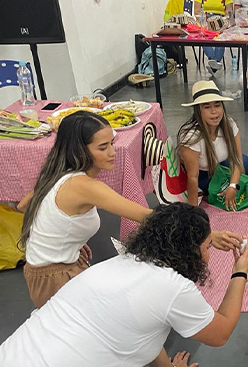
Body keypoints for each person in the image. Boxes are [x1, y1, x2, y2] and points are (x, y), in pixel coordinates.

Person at [0, 203, 248, 367]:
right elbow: (221, 333)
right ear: (190, 251)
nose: (209, 254)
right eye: (207, 247)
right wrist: (240, 270)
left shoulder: (120, 263)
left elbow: (142, 332)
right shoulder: (172, 287)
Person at [15, 112, 152, 308]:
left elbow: (23, 205)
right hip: (54, 277)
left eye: (112, 143)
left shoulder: (57, 173)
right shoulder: (85, 186)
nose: (113, 152)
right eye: (103, 147)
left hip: (45, 269)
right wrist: (204, 232)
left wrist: (68, 239)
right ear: (79, 151)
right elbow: (145, 216)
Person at [178, 81, 248, 210]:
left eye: (217, 105)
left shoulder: (229, 124)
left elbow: (236, 159)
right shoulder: (191, 135)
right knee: (214, 188)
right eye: (207, 107)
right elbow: (192, 177)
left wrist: (233, 186)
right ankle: (204, 193)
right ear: (198, 110)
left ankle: (221, 185)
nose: (214, 111)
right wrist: (193, 212)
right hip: (203, 174)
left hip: (221, 164)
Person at [194, 0, 234, 73]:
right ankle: (214, 61)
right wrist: (204, 20)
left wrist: (223, 20)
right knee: (203, 35)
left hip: (221, 20)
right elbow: (196, 11)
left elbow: (229, 11)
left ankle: (214, 63)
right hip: (205, 19)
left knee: (221, 36)